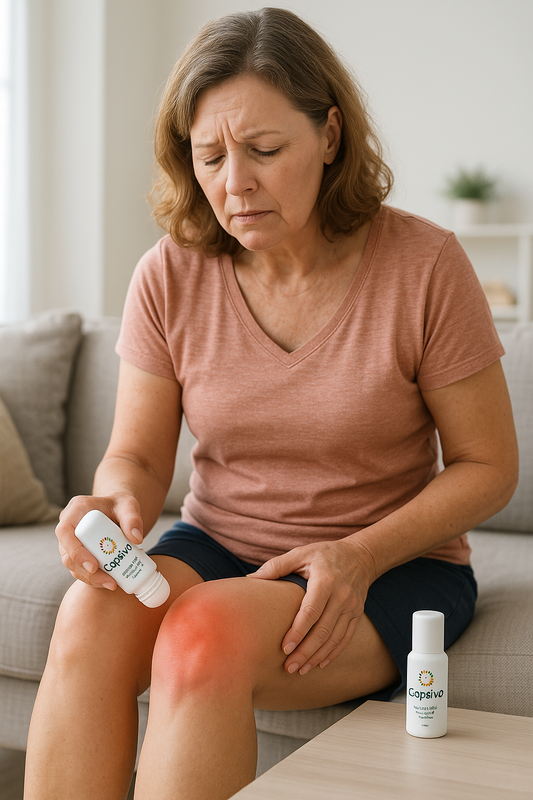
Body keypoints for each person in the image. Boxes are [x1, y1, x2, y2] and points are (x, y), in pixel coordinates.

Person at [24, 7, 518, 800]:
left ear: (329, 136)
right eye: (209, 156)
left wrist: (355, 556)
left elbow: (488, 467)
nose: (233, 184)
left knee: (206, 629)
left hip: (389, 566)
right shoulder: (170, 273)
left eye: (263, 150)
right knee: (90, 616)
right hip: (221, 545)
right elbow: (141, 458)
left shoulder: (424, 265)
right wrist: (114, 505)